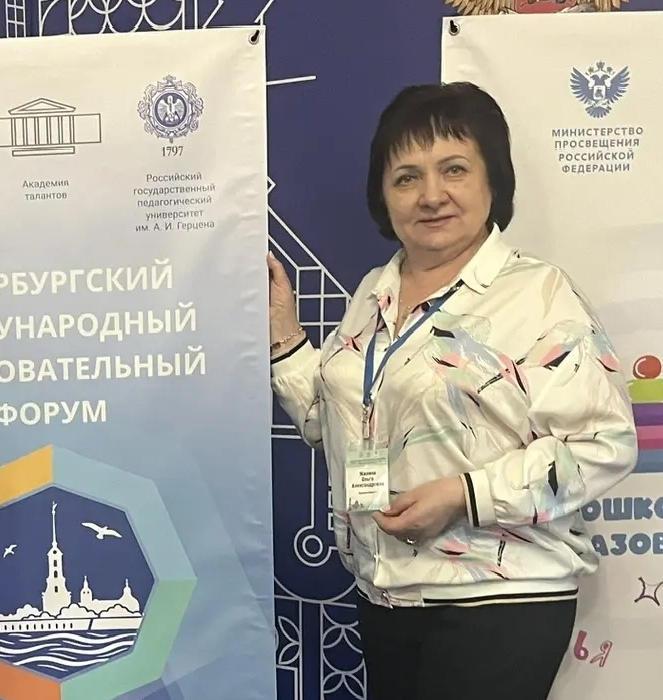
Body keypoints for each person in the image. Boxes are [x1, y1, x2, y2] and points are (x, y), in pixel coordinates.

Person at [267, 81, 637, 700]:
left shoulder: (538, 295)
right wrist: (284, 335)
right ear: (383, 196)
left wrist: (465, 495)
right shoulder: (374, 292)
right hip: (385, 593)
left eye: (455, 169)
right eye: (406, 177)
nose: (431, 194)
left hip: (498, 602)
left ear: (494, 181)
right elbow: (331, 422)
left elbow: (604, 445)